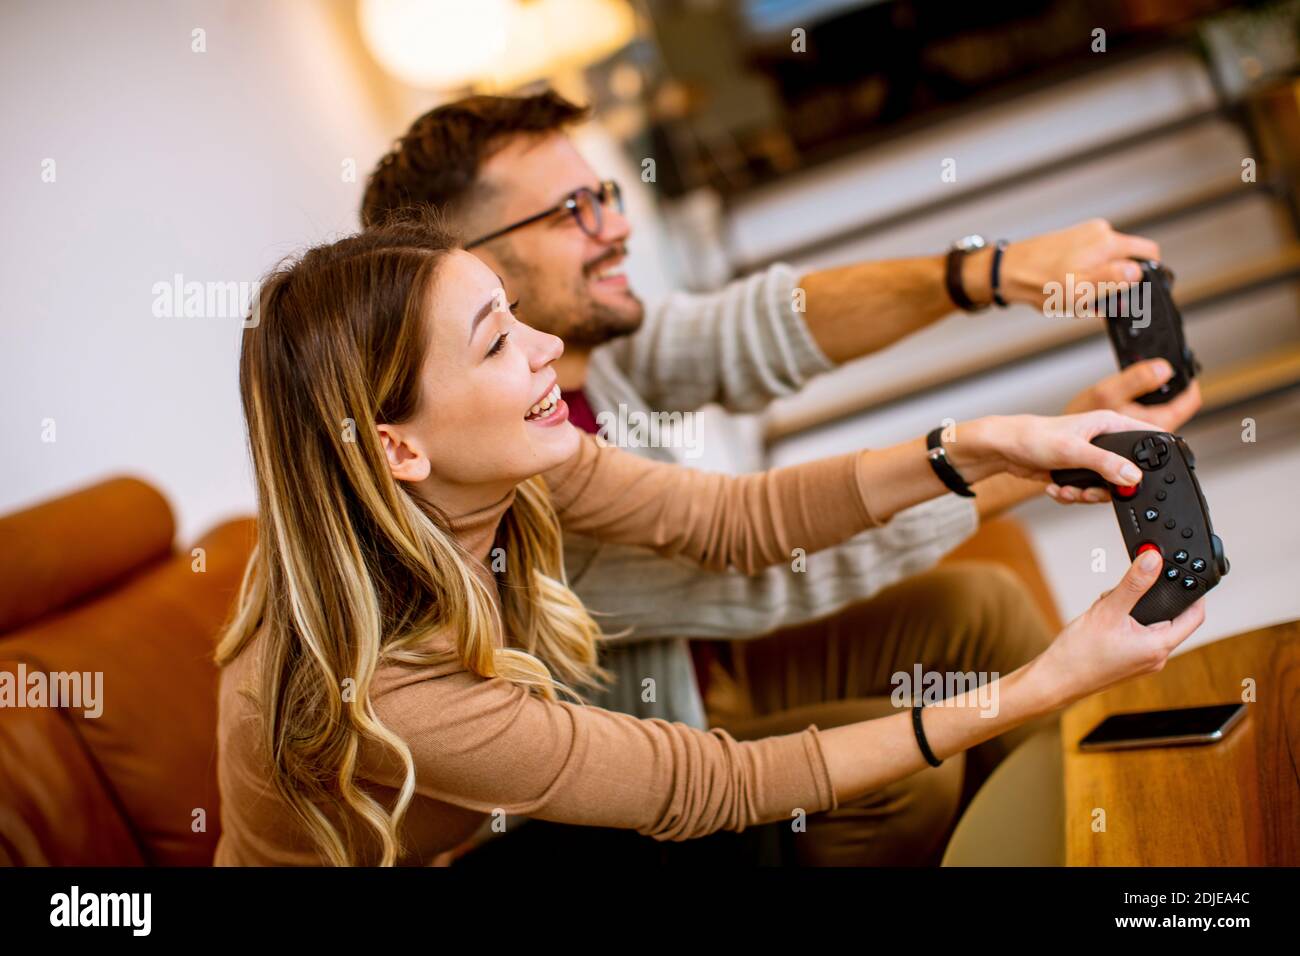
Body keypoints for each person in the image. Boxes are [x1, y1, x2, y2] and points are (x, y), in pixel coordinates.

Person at [357, 93, 1203, 864]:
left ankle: (1125, 847)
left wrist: (984, 276)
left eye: (607, 195)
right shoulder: (508, 463)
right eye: (574, 212)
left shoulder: (577, 356)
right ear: (468, 265)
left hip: (704, 670)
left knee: (983, 608)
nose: (617, 229)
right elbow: (758, 553)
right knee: (904, 775)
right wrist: (1013, 457)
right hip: (639, 750)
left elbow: (756, 329)